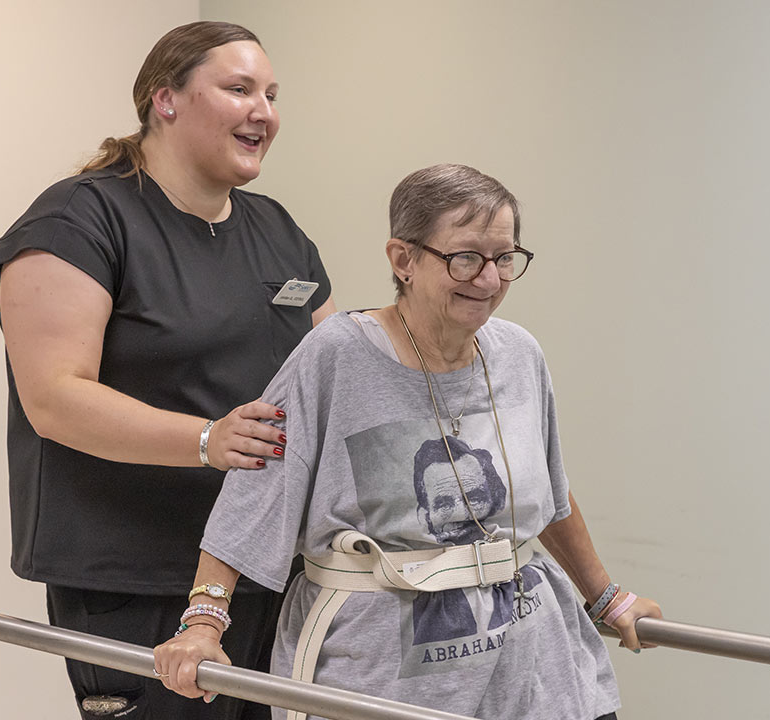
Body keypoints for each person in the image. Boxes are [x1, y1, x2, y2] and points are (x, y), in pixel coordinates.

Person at [153, 164, 661, 719]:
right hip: (381, 678)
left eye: (504, 258)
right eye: (465, 257)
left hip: (535, 668)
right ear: (403, 259)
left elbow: (549, 496)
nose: (489, 280)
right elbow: (254, 497)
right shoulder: (336, 356)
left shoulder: (519, 354)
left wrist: (607, 598)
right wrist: (201, 625)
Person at [0, 21, 335, 720]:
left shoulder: (277, 230)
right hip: (140, 576)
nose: (263, 111)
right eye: (238, 89)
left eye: (270, 93)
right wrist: (209, 440)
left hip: (269, 567)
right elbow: (55, 397)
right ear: (165, 100)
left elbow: (332, 378)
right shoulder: (80, 220)